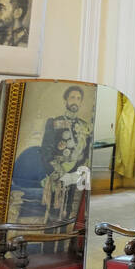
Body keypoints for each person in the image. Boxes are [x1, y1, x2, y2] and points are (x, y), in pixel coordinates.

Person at [40, 85, 92, 223]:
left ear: (81, 102)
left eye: (78, 98)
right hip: (57, 174)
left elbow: (86, 154)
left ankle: (65, 242)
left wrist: (76, 174)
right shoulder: (54, 122)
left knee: (69, 215)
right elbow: (46, 151)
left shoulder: (85, 126)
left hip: (74, 177)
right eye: (72, 97)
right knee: (53, 214)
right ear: (66, 101)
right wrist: (59, 173)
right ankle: (49, 243)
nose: (75, 101)